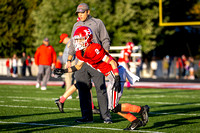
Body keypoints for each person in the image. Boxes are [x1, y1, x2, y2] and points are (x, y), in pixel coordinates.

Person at [53, 26, 150, 130]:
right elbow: (78, 66)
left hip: (115, 72)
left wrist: (116, 78)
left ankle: (141, 110)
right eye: (76, 39)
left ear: (87, 38)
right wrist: (64, 70)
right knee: (112, 106)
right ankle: (135, 120)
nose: (78, 41)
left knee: (112, 107)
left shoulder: (94, 48)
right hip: (111, 74)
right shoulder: (80, 52)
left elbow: (112, 62)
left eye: (80, 39)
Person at [66, 3, 112, 123]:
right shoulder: (76, 25)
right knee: (83, 89)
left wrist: (105, 55)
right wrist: (69, 59)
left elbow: (105, 39)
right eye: (78, 13)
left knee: (100, 89)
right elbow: (72, 43)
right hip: (81, 61)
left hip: (96, 61)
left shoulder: (98, 23)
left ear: (88, 12)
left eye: (82, 12)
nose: (80, 15)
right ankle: (86, 117)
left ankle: (105, 116)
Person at [59, 33, 76, 99]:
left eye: (62, 40)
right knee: (74, 79)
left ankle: (68, 94)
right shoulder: (70, 42)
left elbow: (72, 53)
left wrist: (69, 62)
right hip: (70, 62)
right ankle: (80, 94)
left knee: (68, 78)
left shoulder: (70, 43)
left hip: (70, 62)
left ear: (65, 38)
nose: (62, 42)